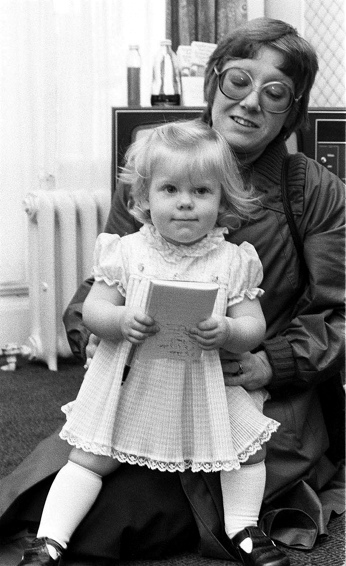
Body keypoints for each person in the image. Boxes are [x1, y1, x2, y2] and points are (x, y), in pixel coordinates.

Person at [0, 16, 344, 566]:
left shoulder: (314, 190)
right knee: (38, 494)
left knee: (126, 517)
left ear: (291, 110)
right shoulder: (150, 173)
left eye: (274, 92)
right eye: (238, 81)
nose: (251, 102)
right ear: (213, 81)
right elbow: (104, 283)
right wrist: (92, 333)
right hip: (145, 384)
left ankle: (238, 529)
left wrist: (268, 363)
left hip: (255, 393)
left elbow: (340, 311)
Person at [17, 120, 291, 566]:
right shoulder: (126, 252)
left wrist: (229, 331)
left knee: (248, 451)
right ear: (144, 197)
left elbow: (253, 324)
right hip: (133, 382)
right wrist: (119, 319)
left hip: (207, 384)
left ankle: (244, 527)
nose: (185, 202)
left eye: (202, 191)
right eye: (170, 190)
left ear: (222, 200)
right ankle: (49, 540)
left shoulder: (233, 259)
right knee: (89, 457)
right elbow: (93, 310)